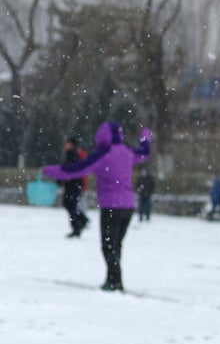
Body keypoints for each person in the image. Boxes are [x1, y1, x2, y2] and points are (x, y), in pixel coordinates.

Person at [42, 121, 151, 291]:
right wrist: (145, 137)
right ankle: (113, 278)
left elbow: (77, 170)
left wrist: (50, 170)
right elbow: (145, 153)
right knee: (116, 245)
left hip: (111, 205)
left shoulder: (103, 154)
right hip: (128, 206)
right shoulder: (128, 152)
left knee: (108, 245)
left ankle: (115, 281)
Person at [58, 137, 90, 237]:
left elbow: (68, 169)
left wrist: (61, 179)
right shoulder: (74, 154)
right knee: (71, 205)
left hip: (72, 184)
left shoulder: (71, 154)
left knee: (70, 204)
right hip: (75, 184)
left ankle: (79, 223)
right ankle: (80, 221)